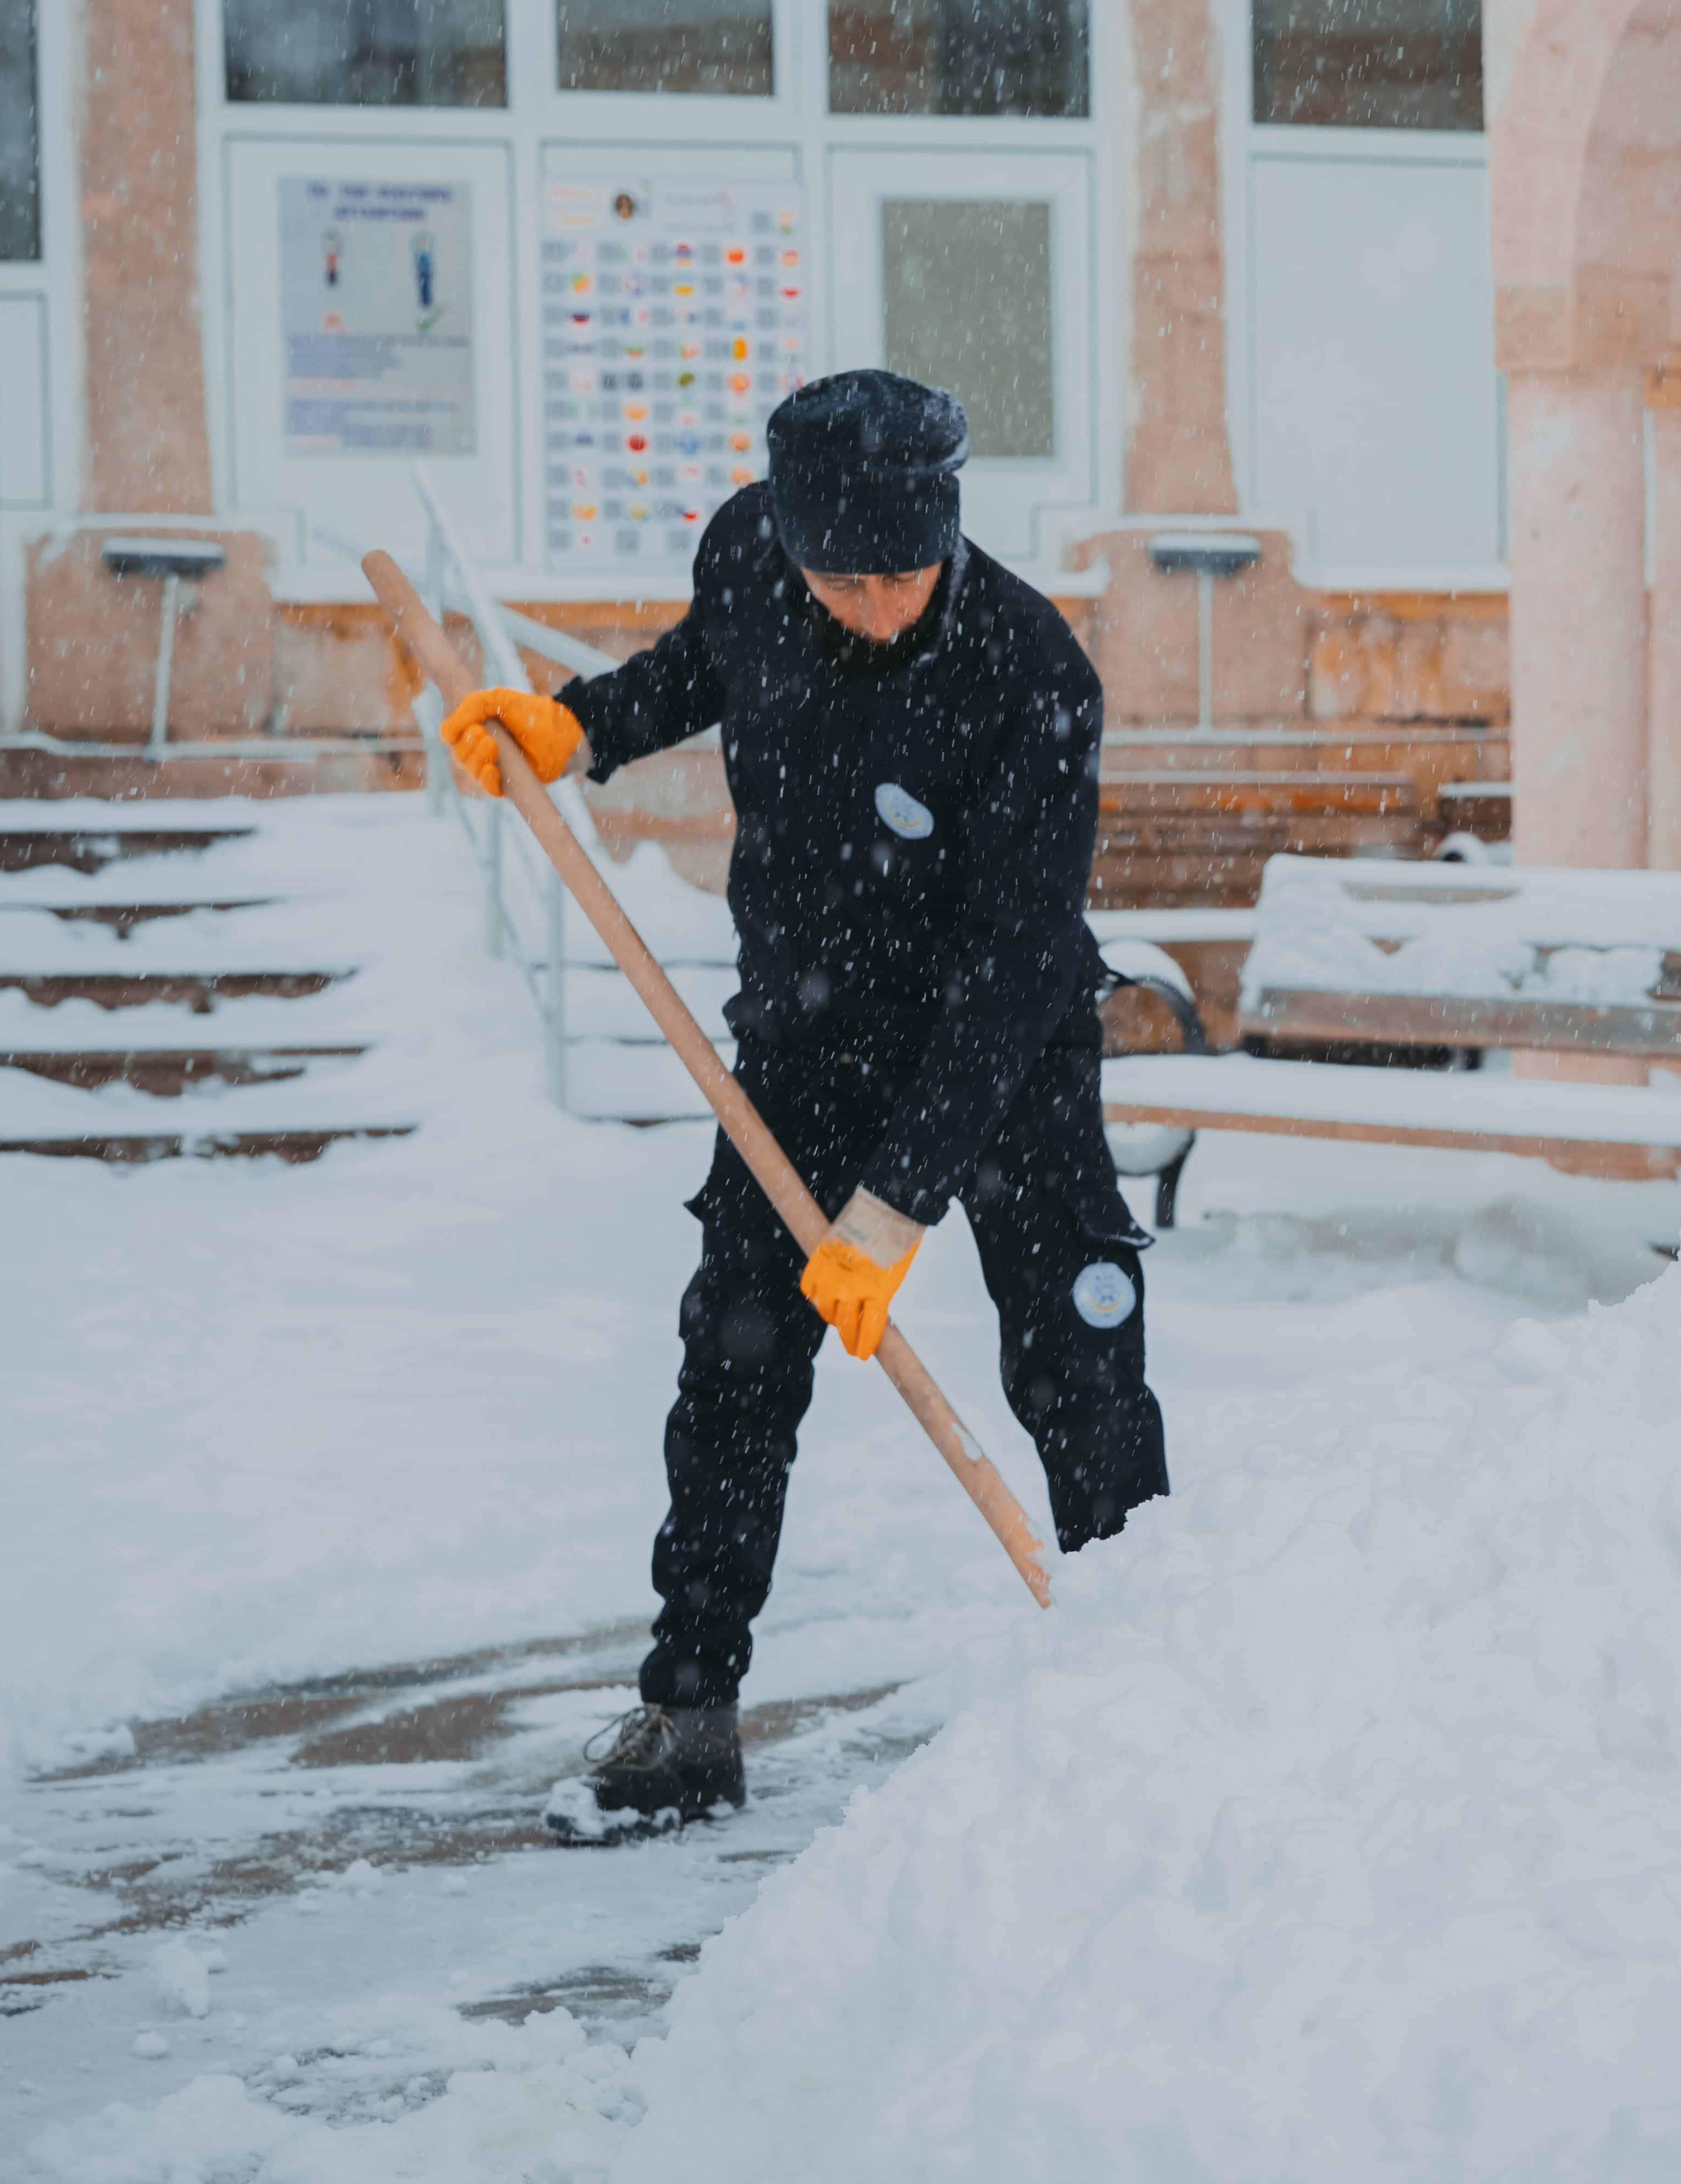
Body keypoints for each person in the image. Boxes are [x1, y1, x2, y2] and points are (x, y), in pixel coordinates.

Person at [438, 370, 1171, 1825]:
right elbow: (706, 667)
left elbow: (1022, 961)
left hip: (1003, 1056)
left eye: (902, 575)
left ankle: (1151, 1683)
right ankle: (687, 1715)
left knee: (1076, 1367)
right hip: (806, 1042)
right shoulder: (753, 561)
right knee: (736, 1370)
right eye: (843, 577)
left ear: (947, 537)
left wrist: (896, 1207)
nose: (874, 607)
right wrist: (579, 727)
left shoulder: (1033, 675)